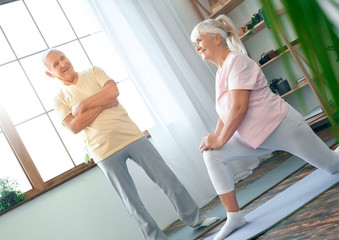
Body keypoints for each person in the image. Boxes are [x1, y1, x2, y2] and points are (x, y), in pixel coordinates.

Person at [190, 15, 339, 240]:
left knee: (334, 165)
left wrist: (220, 139)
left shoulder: (237, 62)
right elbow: (226, 111)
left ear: (217, 38)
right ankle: (234, 216)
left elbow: (239, 108)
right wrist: (215, 137)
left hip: (282, 128)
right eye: (195, 44)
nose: (197, 47)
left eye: (199, 41)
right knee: (212, 156)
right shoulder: (221, 72)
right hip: (253, 140)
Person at [42, 49, 219, 240]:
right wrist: (103, 102)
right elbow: (74, 126)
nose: (63, 64)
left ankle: (196, 219)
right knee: (132, 202)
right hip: (103, 152)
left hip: (131, 136)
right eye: (56, 64)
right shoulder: (59, 98)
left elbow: (113, 92)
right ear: (49, 73)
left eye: (62, 58)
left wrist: (83, 105)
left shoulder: (94, 71)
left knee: (167, 180)